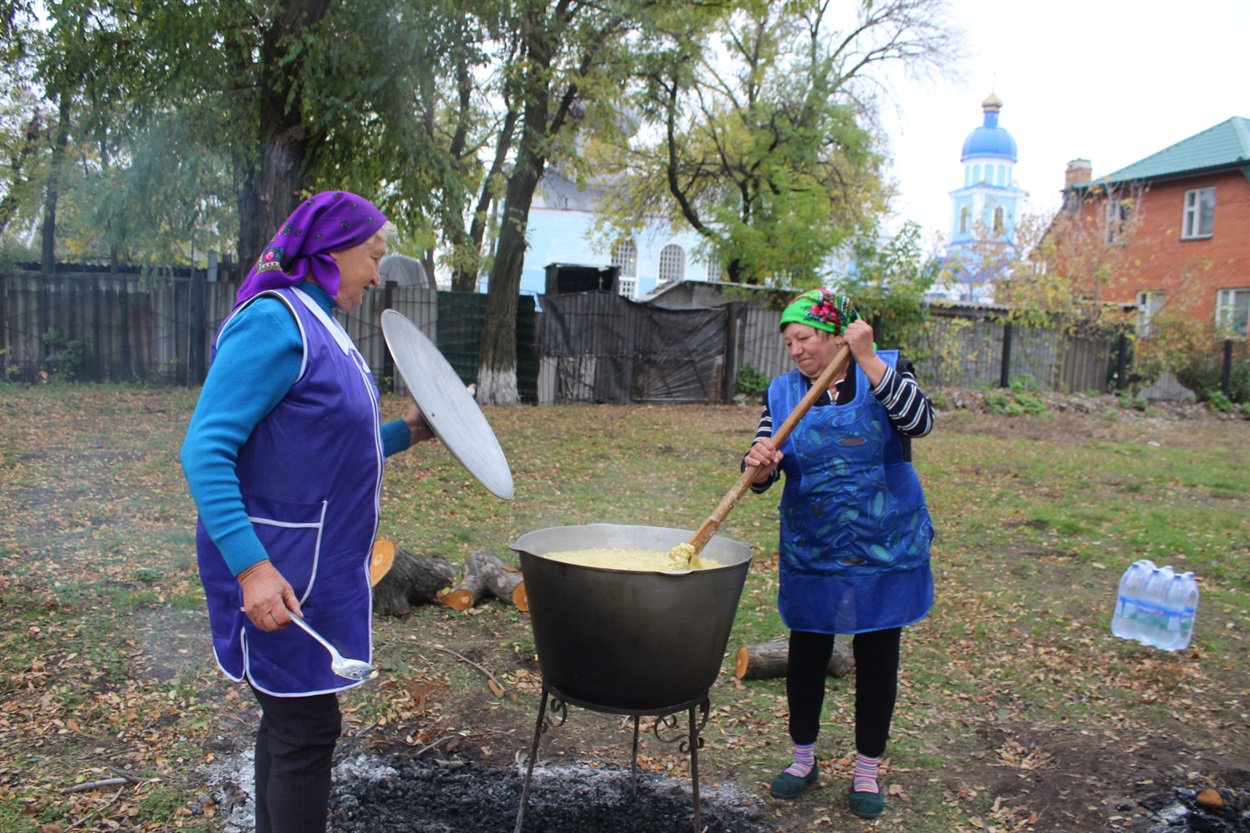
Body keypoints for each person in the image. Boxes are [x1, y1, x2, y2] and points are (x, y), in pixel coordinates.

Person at [180, 191, 434, 833]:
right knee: (305, 728)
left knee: (293, 722)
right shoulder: (275, 322)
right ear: (330, 250)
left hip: (319, 571)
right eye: (373, 257)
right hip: (280, 572)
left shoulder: (322, 326)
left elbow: (329, 445)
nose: (377, 276)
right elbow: (204, 450)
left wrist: (408, 431)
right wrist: (251, 569)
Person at [741, 289, 935, 820]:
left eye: (803, 338)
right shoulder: (784, 392)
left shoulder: (886, 369)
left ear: (834, 335)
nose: (796, 351)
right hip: (815, 545)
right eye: (789, 343)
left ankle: (866, 768)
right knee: (807, 654)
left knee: (877, 657)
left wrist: (868, 358)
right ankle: (803, 759)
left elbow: (920, 422)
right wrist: (759, 464)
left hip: (883, 545)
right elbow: (761, 466)